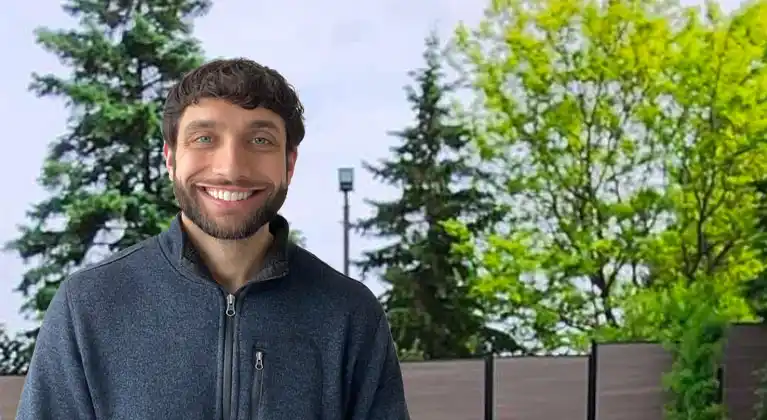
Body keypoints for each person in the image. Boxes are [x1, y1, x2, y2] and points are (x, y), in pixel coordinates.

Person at [16, 58, 410, 420]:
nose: (231, 168)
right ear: (170, 159)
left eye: (260, 141)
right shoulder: (87, 306)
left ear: (289, 163)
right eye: (204, 138)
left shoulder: (349, 315)